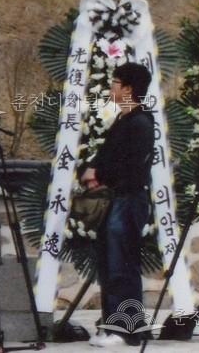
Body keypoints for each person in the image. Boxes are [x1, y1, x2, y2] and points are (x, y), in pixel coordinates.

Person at [81, 62, 156, 347]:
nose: (110, 87)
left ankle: (123, 330)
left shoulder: (139, 123)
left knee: (120, 265)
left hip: (127, 200)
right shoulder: (124, 119)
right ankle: (119, 325)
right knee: (112, 264)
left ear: (128, 88)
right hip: (117, 200)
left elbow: (130, 168)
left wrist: (98, 174)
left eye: (115, 82)